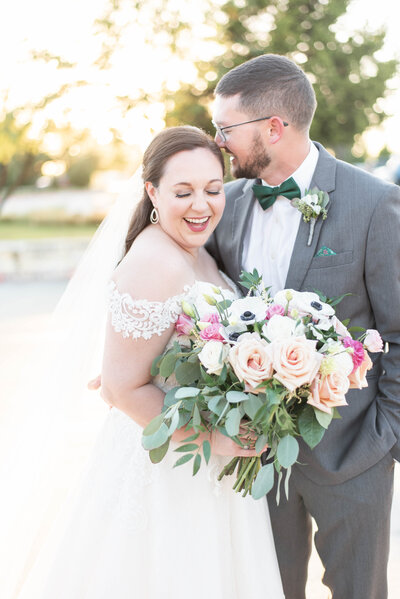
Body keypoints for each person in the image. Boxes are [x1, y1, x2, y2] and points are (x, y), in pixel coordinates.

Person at [5, 126, 284, 599]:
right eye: (184, 192)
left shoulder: (193, 251)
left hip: (208, 465)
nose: (202, 205)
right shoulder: (155, 260)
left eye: (213, 189)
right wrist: (215, 438)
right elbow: (120, 389)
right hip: (169, 470)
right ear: (152, 191)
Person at [207, 53, 400, 599]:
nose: (218, 141)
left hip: (353, 454)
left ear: (274, 126)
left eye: (226, 128)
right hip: (252, 459)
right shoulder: (231, 202)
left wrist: (384, 439)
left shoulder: (375, 203)